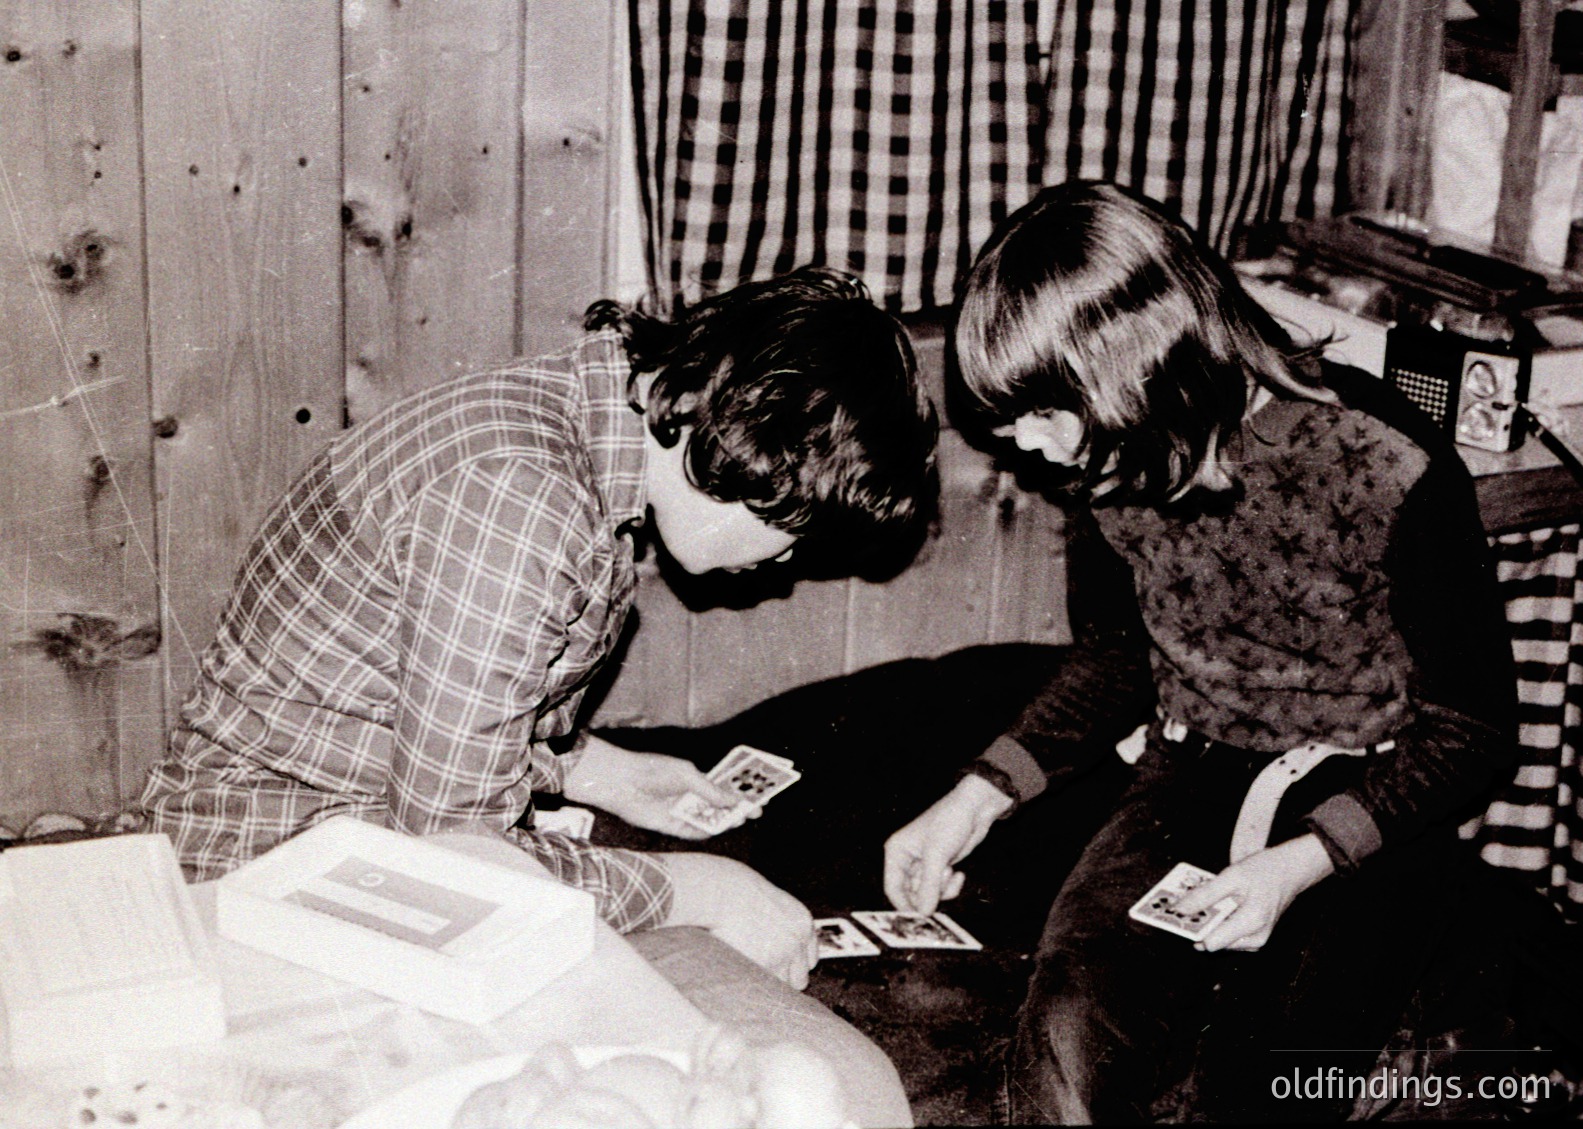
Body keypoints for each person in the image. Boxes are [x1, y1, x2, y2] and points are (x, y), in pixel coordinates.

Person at [881, 182, 1520, 1121]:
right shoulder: (1105, 460)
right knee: (1064, 1040)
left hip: (1373, 797)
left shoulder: (1389, 459)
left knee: (1265, 1083)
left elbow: (1473, 731)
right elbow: (1120, 655)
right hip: (1193, 769)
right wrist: (974, 797)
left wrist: (1300, 860)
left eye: (1040, 415)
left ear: (1136, 372)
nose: (1022, 447)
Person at [140, 266, 938, 991]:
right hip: (263, 879)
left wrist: (594, 768)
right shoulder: (519, 502)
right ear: (735, 432)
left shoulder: (560, 413)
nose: (788, 557)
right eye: (795, 522)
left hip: (305, 828)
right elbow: (453, 858)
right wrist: (702, 892)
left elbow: (399, 690)